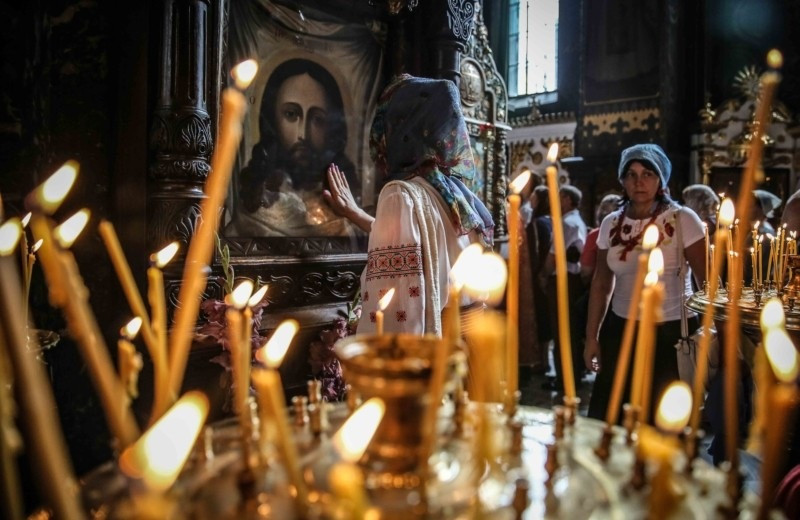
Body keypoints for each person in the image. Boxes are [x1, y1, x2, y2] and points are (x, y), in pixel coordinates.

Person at [324, 75, 494, 335]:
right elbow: (418, 245)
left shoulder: (399, 194)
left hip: (443, 346)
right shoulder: (451, 190)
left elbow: (400, 309)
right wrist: (355, 213)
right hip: (474, 340)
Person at [584, 143, 706, 423]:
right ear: (622, 180)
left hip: (670, 333)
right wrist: (592, 336)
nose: (639, 182)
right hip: (620, 329)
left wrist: (716, 334)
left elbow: (708, 283)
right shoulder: (611, 223)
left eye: (647, 174)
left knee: (661, 422)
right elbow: (601, 283)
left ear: (660, 179)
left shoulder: (682, 219)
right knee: (613, 417)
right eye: (631, 174)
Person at [229, 58, 359, 237]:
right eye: (291, 114)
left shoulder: (345, 215)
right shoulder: (249, 215)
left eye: (318, 119)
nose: (302, 134)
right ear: (272, 120)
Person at [543, 184, 587, 391]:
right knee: (569, 329)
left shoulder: (567, 222)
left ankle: (565, 379)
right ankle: (570, 375)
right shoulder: (577, 220)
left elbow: (554, 255)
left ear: (568, 200)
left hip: (563, 281)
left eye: (559, 197)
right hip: (571, 280)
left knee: (562, 329)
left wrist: (543, 274)